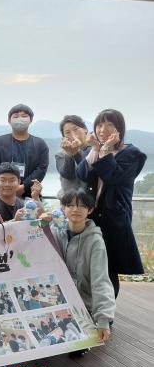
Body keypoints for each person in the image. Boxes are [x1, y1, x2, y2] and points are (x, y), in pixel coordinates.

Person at [77, 109, 147, 298]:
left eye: (110, 125)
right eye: (99, 125)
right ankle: (89, 304)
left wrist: (105, 151)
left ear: (119, 129)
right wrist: (94, 149)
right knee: (89, 262)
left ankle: (106, 310)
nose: (103, 130)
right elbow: (83, 175)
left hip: (113, 216)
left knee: (108, 266)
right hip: (91, 215)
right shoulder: (95, 149)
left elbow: (114, 177)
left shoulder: (132, 154)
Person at [42, 188, 115, 343]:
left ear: (90, 210)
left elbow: (100, 280)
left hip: (83, 303)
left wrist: (103, 320)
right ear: (63, 208)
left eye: (82, 205)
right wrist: (41, 224)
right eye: (70, 205)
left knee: (78, 345)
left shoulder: (95, 241)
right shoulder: (54, 231)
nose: (75, 209)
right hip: (57, 299)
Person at [0, 104, 49, 198]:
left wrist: (24, 187)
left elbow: (41, 169)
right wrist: (8, 185)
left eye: (24, 116)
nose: (20, 119)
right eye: (15, 116)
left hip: (30, 196)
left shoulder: (40, 144)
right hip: (0, 196)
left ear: (31, 120)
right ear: (9, 120)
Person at [55, 115, 89, 198]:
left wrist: (77, 153)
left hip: (89, 201)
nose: (73, 135)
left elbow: (89, 175)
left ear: (85, 129)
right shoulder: (60, 155)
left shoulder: (94, 150)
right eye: (67, 132)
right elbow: (68, 175)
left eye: (76, 129)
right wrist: (69, 154)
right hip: (68, 202)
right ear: (64, 137)